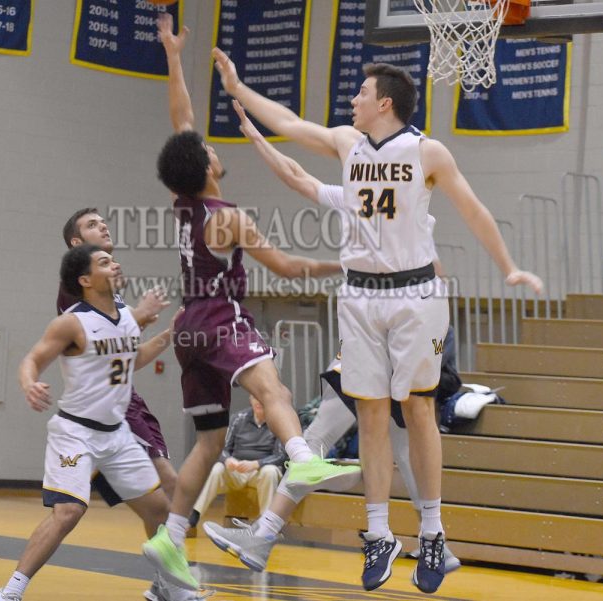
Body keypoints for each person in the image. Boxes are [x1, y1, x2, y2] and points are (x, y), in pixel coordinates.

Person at [213, 52, 542, 593]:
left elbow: (475, 208)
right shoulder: (348, 143)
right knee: (368, 413)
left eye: (360, 94)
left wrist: (508, 268)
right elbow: (292, 126)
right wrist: (238, 87)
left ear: (383, 101)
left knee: (416, 408)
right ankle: (381, 533)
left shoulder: (427, 150)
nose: (352, 101)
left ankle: (433, 532)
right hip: (359, 298)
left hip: (415, 296)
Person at [141, 15, 361, 592]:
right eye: (211, 150)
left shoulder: (182, 202)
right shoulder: (228, 217)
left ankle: (171, 531)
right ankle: (300, 453)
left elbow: (181, 123)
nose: (213, 148)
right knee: (276, 392)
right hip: (218, 319)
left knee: (209, 441)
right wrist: (348, 262)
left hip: (188, 329)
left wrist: (173, 57)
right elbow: (288, 267)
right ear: (208, 170)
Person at [200, 101, 459, 576]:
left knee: (369, 441)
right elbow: (300, 177)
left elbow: (433, 297)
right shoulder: (358, 196)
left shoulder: (414, 232)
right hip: (369, 330)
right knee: (351, 442)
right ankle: (427, 535)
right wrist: (258, 139)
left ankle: (430, 535)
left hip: (408, 333)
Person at [0, 245, 177, 601]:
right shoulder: (71, 322)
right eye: (104, 262)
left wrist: (171, 333)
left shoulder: (125, 314)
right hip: (76, 432)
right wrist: (30, 383)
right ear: (85, 279)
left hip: (117, 434)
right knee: (68, 511)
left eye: (113, 260)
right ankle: (11, 591)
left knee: (160, 510)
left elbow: (132, 359)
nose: (115, 264)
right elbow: (31, 359)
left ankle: (167, 587)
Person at [58, 208, 187, 601]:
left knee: (163, 498)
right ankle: (173, 585)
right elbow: (97, 339)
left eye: (103, 221)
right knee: (169, 486)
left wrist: (164, 333)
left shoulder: (111, 288)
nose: (104, 226)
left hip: (128, 399)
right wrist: (143, 317)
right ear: (77, 246)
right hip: (106, 410)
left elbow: (128, 353)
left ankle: (168, 584)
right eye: (92, 225)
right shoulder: (76, 293)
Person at [190, 395, 286, 527]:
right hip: (237, 471)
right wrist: (228, 459)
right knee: (217, 467)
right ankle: (194, 514)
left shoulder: (278, 421)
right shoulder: (238, 418)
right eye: (255, 397)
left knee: (270, 472)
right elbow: (222, 448)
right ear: (250, 399)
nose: (258, 401)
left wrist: (256, 464)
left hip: (260, 472)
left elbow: (281, 455)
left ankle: (266, 524)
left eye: (261, 397)